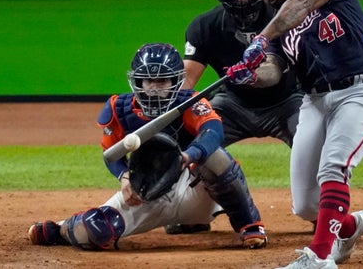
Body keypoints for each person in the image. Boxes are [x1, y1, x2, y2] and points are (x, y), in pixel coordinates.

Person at [225, 0, 363, 268]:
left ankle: (318, 258)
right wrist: (251, 75)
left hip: (359, 91)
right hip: (314, 101)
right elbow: (274, 71)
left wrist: (260, 38)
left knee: (333, 168)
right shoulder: (278, 24)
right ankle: (347, 227)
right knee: (305, 205)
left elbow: (302, 2)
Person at [27, 43, 268, 251]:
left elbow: (213, 132)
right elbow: (111, 154)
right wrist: (123, 177)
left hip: (195, 189)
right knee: (96, 230)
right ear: (137, 81)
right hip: (147, 193)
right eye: (148, 80)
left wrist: (189, 155)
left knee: (215, 157)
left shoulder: (190, 102)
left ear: (176, 81)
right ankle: (62, 229)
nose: (153, 87)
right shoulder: (119, 109)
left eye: (162, 80)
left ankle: (249, 224)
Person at [166, 0, 304, 235]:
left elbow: (284, 67)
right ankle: (196, 212)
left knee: (313, 143)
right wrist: (165, 116)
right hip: (233, 104)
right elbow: (187, 83)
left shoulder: (283, 16)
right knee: (189, 138)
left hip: (288, 101)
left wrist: (254, 74)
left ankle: (320, 209)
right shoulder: (204, 26)